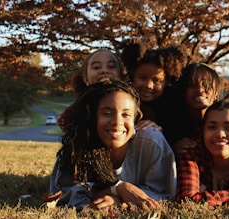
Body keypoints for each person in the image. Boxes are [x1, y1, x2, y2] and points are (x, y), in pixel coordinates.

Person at [48, 79, 176, 211]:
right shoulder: (77, 146)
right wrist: (118, 189)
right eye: (107, 113)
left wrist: (118, 200)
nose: (117, 122)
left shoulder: (152, 143)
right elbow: (62, 197)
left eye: (126, 114)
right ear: (93, 117)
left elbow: (163, 194)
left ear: (135, 120)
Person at [120, 39, 187, 125]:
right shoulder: (123, 100)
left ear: (166, 81)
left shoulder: (175, 107)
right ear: (133, 75)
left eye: (156, 80)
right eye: (142, 78)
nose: (148, 85)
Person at [57, 49, 125, 132]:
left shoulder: (134, 103)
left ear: (121, 75)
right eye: (96, 67)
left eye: (111, 66)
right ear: (85, 79)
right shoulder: (75, 114)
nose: (104, 71)